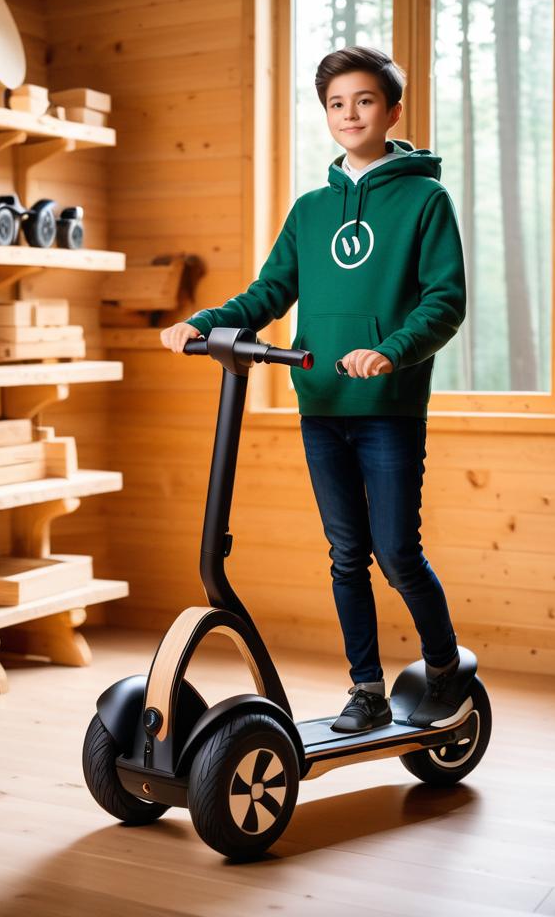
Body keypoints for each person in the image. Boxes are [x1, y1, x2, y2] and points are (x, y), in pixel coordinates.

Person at [160, 45, 468, 732]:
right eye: (336, 103)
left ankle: (443, 665)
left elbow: (444, 302)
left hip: (387, 410)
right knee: (345, 555)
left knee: (396, 552)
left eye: (363, 101)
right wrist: (201, 323)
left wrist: (392, 353)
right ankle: (366, 689)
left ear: (392, 110)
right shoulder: (309, 210)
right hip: (320, 406)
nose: (349, 114)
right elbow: (269, 292)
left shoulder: (425, 199)